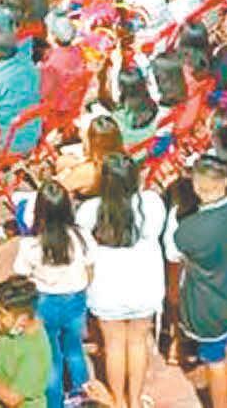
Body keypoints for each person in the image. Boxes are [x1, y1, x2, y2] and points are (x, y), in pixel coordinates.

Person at [77, 154, 166, 408]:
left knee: (114, 346)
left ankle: (117, 401)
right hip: (145, 286)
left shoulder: (89, 210)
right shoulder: (152, 204)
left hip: (106, 289)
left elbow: (84, 248)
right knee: (138, 343)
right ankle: (135, 401)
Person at [171, 152, 227, 408]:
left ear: (197, 187)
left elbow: (175, 257)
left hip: (207, 306)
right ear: (225, 181)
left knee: (214, 361)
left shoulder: (190, 230)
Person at [13, 181, 90, 408]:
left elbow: (21, 274)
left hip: (44, 302)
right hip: (75, 299)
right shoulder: (81, 237)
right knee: (74, 351)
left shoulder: (31, 244)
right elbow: (90, 268)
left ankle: (54, 402)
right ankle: (82, 396)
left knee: (50, 357)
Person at [0, 276, 54, 408]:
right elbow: (3, 343)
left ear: (22, 319)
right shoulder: (13, 328)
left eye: (1, 314)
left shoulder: (34, 353)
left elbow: (13, 399)